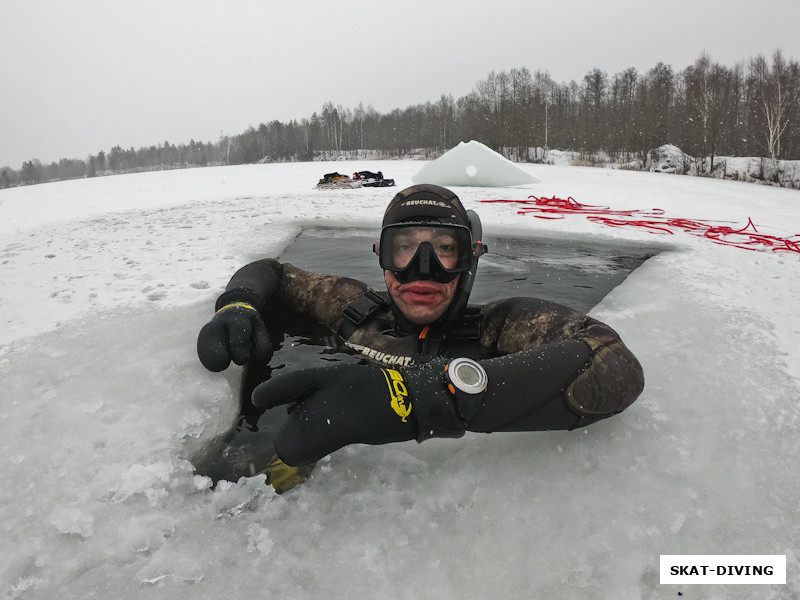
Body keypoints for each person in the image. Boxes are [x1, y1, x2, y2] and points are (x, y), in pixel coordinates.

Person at [196, 184, 644, 492]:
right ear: (382, 256)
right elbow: (271, 271)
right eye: (404, 247)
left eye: (444, 248)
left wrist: (421, 398)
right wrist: (239, 302)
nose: (421, 268)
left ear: (469, 259)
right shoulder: (353, 307)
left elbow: (612, 363)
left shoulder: (499, 326)